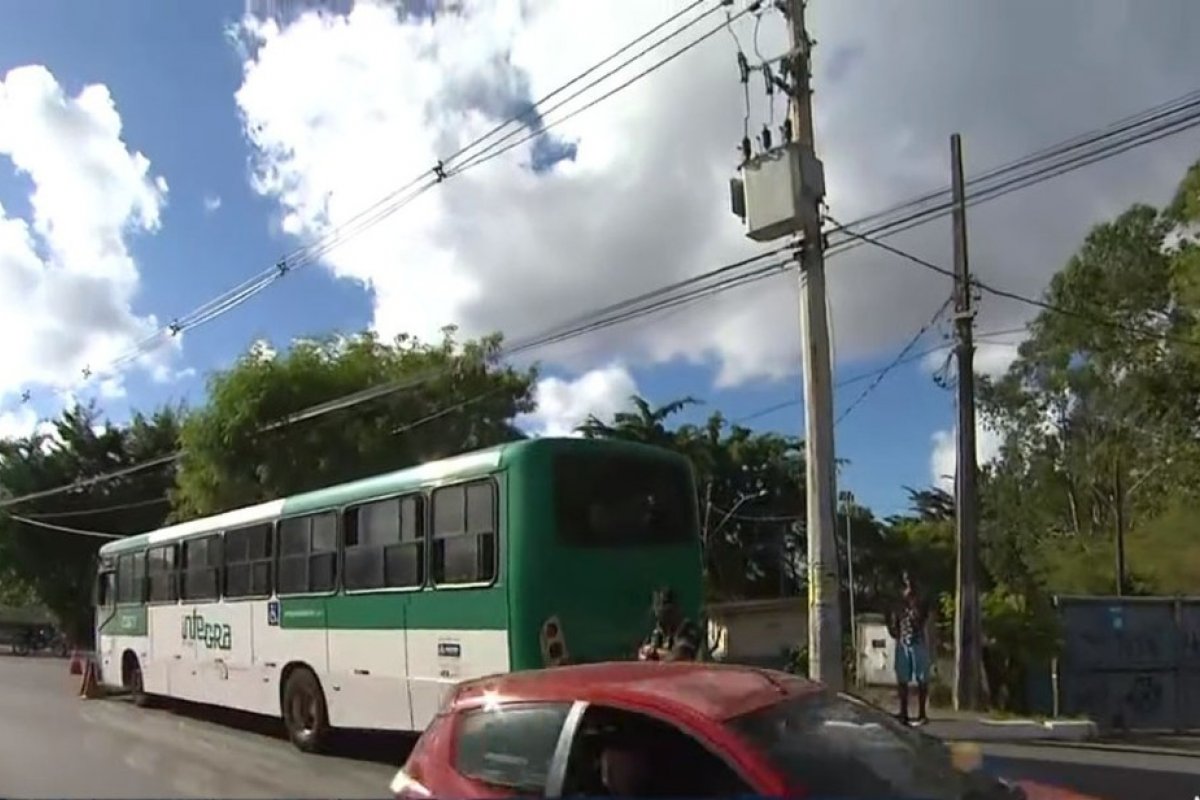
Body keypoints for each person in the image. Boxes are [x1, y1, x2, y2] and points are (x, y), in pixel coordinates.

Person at [887, 573, 931, 726]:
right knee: (902, 678)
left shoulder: (920, 602)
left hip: (918, 642)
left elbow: (921, 619)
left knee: (922, 678)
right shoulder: (898, 604)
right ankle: (903, 712)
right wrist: (894, 631)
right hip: (903, 643)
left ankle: (922, 713)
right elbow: (893, 621)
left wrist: (913, 603)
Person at [637, 587, 700, 662]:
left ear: (675, 608)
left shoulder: (689, 629)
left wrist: (654, 653)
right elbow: (643, 652)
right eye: (657, 607)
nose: (660, 612)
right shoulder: (657, 632)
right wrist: (644, 653)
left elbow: (681, 655)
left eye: (666, 609)